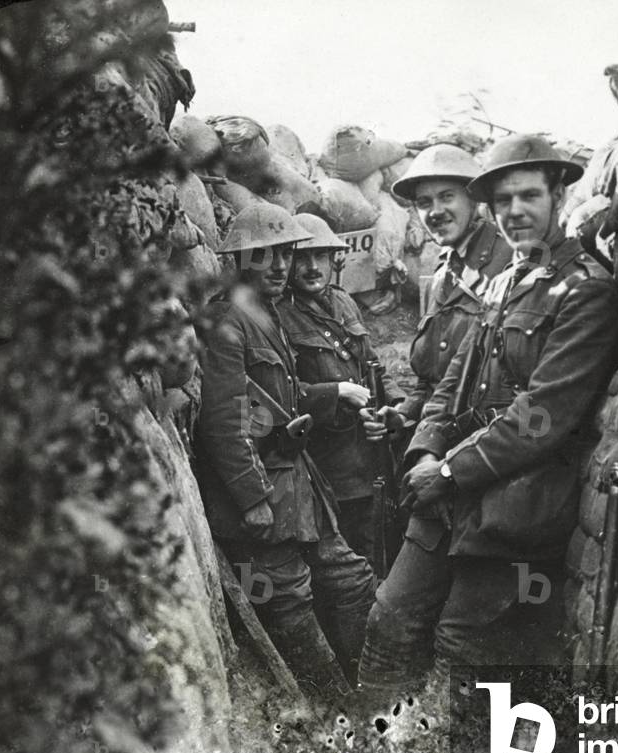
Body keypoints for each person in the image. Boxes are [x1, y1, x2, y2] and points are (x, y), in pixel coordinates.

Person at [358, 135, 618, 694]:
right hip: (452, 490)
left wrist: (452, 470)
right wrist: (428, 445)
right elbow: (456, 376)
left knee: (465, 651)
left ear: (557, 196)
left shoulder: (586, 291)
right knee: (389, 618)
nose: (515, 212)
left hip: (517, 503)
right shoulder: (506, 282)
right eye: (503, 201)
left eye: (529, 196)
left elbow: (544, 413)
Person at [194, 203, 377, 700]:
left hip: (298, 486)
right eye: (263, 254)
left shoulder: (266, 313)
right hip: (262, 493)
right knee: (290, 602)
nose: (278, 265)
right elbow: (224, 422)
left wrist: (331, 393)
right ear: (238, 261)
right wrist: (252, 497)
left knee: (352, 580)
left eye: (284, 252)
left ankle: (370, 693)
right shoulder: (226, 322)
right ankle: (333, 710)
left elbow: (285, 398)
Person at [275, 213, 404, 560]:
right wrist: (336, 392)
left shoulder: (344, 301)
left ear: (334, 259)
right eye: (301, 257)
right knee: (346, 561)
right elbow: (279, 392)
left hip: (372, 456)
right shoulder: (277, 315)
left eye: (321, 256)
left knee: (383, 547)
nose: (312, 267)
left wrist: (396, 406)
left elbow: (373, 364)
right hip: (328, 466)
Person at [391, 144, 512, 422]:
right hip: (437, 430)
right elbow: (429, 380)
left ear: (474, 200)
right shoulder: (444, 272)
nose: (435, 211)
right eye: (424, 203)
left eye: (447, 197)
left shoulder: (508, 261)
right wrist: (402, 414)